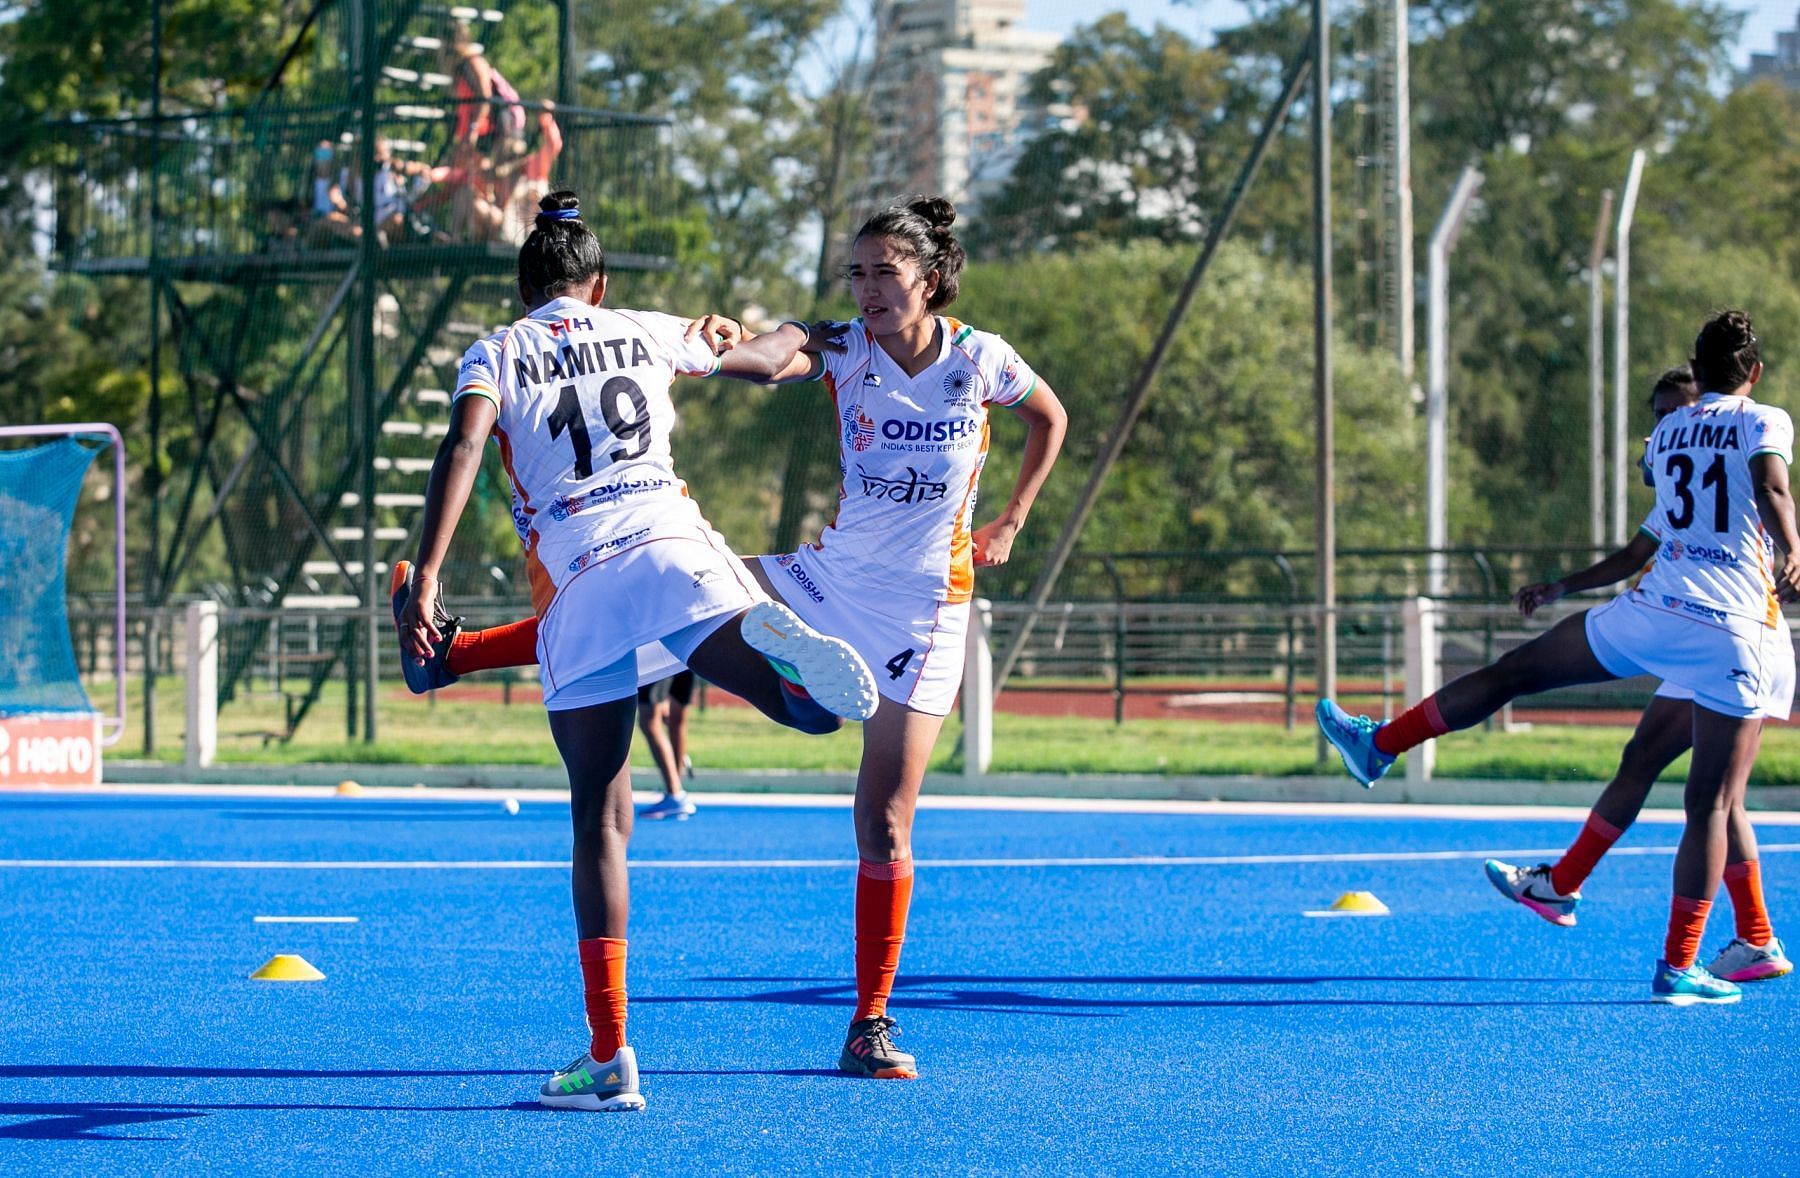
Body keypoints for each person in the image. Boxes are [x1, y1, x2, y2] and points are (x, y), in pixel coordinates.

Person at [395, 195, 1069, 1075]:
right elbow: (768, 358)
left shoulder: (981, 360)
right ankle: (784, 676)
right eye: (856, 273)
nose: (866, 289)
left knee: (886, 822)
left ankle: (867, 1025)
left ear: (931, 280)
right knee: (703, 616)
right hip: (818, 575)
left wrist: (1012, 519)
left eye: (884, 274)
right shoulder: (841, 343)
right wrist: (755, 338)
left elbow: (1048, 416)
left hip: (927, 604)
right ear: (596, 285)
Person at [395, 188, 879, 1113]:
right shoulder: (647, 328)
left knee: (601, 822)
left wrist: (426, 570)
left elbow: (461, 447)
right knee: (788, 699)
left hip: (579, 582)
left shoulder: (496, 351)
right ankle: (803, 690)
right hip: (673, 545)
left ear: (525, 286)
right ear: (599, 283)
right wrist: (812, 328)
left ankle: (611, 1055)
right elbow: (767, 360)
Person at [1318, 310, 1799, 1006]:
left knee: (1525, 677)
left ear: (1695, 373)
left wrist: (1563, 587)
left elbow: (1648, 543)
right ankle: (1679, 962)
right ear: (1754, 373)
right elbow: (1771, 486)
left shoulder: (1666, 433)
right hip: (1732, 629)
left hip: (1660, 612)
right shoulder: (1765, 419)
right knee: (1711, 803)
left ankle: (1384, 746)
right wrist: (1791, 547)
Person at [1481, 366, 1790, 983]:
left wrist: (1792, 550)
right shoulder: (1695, 465)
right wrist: (1563, 587)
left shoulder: (1723, 448)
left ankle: (1693, 951)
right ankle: (1569, 887)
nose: (1663, 427)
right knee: (1671, 773)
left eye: (1670, 411)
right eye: (1656, 417)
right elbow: (1636, 552)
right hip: (1704, 636)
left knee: (1708, 795)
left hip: (1726, 637)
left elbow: (1758, 497)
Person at [637, 671, 697, 819]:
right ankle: (676, 792)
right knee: (675, 720)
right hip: (685, 654)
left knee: (649, 722)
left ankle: (675, 794)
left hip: (658, 654)